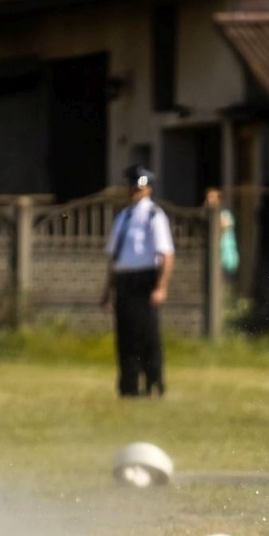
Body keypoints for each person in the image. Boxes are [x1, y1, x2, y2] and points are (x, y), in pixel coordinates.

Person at [101, 166, 174, 397]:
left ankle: (154, 382)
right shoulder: (123, 216)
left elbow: (166, 254)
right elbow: (114, 258)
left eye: (139, 186)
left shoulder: (154, 215)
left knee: (148, 334)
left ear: (149, 188)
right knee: (126, 334)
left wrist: (161, 287)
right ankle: (129, 384)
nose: (134, 190)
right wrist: (107, 289)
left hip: (145, 278)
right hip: (124, 279)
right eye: (132, 185)